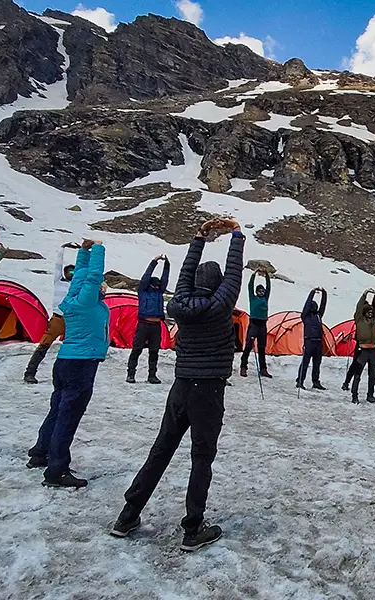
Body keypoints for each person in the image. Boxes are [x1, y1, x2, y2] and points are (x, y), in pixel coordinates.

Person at [112, 217, 244, 552]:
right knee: (202, 457)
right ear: (218, 286)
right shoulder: (220, 306)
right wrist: (236, 235)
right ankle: (193, 527)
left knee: (161, 450)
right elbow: (234, 273)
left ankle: (127, 515)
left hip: (181, 387)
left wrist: (199, 239)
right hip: (208, 390)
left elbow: (185, 276)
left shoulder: (179, 304)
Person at [26, 239, 110, 488]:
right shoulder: (86, 301)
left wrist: (83, 252)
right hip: (81, 365)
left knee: (57, 410)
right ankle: (57, 470)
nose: (104, 289)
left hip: (65, 361)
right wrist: (98, 248)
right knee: (68, 417)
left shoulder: (73, 298)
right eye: (102, 287)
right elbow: (92, 277)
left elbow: (81, 278)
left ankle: (40, 452)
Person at [23, 244, 76, 384]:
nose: (71, 274)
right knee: (44, 345)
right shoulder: (58, 281)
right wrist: (62, 249)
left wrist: (85, 252)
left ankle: (67, 376)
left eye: (74, 272)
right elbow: (58, 265)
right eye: (69, 271)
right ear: (65, 272)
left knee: (71, 349)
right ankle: (30, 372)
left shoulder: (78, 286)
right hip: (57, 319)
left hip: (72, 320)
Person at [126, 255, 170, 384]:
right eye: (155, 285)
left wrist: (167, 265)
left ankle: (152, 375)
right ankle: (131, 374)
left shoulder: (160, 292)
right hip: (143, 324)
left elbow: (165, 278)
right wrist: (154, 261)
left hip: (156, 325)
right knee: (137, 349)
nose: (157, 286)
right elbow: (146, 276)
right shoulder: (143, 291)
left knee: (154, 351)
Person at [343, 289, 375, 404]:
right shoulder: (360, 319)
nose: (370, 313)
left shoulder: (373, 320)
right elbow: (359, 308)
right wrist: (364, 295)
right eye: (368, 312)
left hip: (372, 350)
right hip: (362, 350)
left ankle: (370, 395)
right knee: (358, 373)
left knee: (372, 374)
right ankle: (354, 395)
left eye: (371, 312)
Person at [239, 269, 272, 378]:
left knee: (262, 348)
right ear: (256, 292)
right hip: (254, 324)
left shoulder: (265, 298)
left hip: (263, 325)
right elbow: (250, 286)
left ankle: (263, 369)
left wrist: (266, 275)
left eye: (263, 291)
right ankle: (243, 367)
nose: (261, 293)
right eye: (259, 291)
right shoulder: (253, 298)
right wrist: (254, 274)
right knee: (248, 346)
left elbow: (269, 287)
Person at [296, 287, 328, 390]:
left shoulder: (319, 315)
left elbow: (323, 305)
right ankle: (300, 381)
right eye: (312, 306)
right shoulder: (305, 316)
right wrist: (312, 293)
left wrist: (324, 293)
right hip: (309, 341)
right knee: (305, 363)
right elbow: (306, 304)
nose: (314, 308)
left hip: (318, 342)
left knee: (317, 363)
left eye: (315, 306)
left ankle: (316, 381)